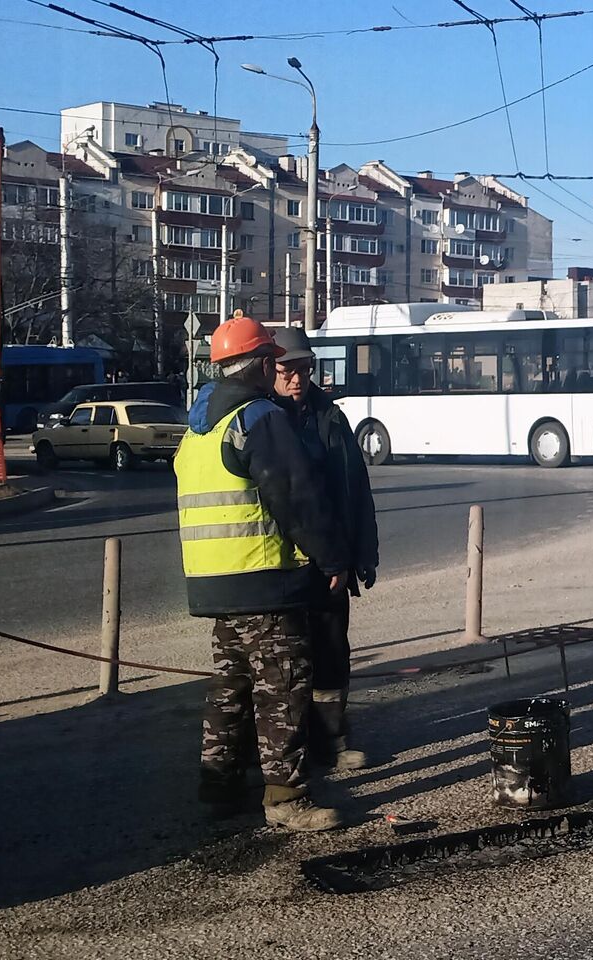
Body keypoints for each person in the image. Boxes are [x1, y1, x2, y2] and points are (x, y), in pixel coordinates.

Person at [174, 313, 351, 832]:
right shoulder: (259, 419)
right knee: (282, 688)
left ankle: (219, 787)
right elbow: (297, 499)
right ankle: (287, 799)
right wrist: (332, 558)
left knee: (229, 688)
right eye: (273, 359)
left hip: (214, 583)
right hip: (265, 581)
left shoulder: (198, 427)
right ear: (260, 364)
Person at [270, 327, 380, 771]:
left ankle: (333, 740)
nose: (297, 379)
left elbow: (356, 488)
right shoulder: (262, 417)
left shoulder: (331, 416)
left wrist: (363, 553)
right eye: (287, 370)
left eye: (304, 369)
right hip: (286, 565)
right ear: (269, 370)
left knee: (333, 652)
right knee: (289, 661)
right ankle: (291, 748)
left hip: (333, 561)